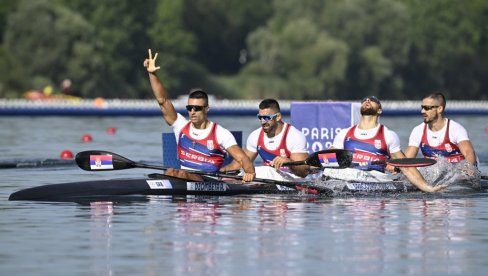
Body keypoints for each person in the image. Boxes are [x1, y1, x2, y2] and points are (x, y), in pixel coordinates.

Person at [143, 49, 255, 182]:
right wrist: (152, 74)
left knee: (176, 173)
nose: (192, 111)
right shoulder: (181, 126)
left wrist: (249, 171)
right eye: (189, 108)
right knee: (171, 171)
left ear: (206, 109)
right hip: (182, 177)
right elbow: (163, 101)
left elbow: (242, 158)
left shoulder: (220, 133)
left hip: (209, 182)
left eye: (197, 108)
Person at [327, 96, 446, 192]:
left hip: (374, 177)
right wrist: (310, 167)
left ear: (379, 110)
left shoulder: (388, 135)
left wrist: (427, 188)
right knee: (328, 171)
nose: (367, 101)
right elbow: (326, 158)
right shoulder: (344, 133)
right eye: (364, 100)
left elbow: (407, 167)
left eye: (372, 100)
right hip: (348, 174)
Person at [220, 99, 309, 179]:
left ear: (278, 117)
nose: (263, 122)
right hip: (269, 180)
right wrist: (220, 172)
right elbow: (239, 164)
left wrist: (288, 162)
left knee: (265, 171)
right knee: (243, 173)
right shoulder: (255, 136)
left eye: (266, 118)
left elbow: (304, 172)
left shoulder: (294, 136)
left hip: (292, 179)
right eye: (260, 117)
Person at [404, 92, 479, 184]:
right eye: (422, 107)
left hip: (457, 173)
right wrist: (397, 168)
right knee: (413, 171)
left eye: (427, 108)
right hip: (435, 172)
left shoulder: (455, 128)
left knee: (440, 166)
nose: (422, 111)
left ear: (439, 109)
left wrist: (466, 170)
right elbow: (407, 160)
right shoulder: (418, 130)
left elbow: (469, 153)